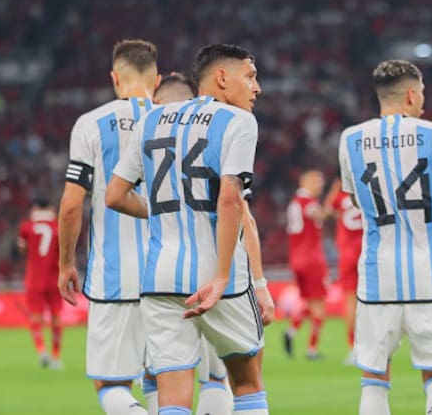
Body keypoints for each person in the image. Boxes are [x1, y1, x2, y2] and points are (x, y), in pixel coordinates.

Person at [106, 43, 271, 415]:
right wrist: (222, 276)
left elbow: (114, 196)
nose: (256, 87)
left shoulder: (151, 119)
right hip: (218, 278)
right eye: (250, 76)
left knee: (173, 397)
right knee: (247, 385)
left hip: (160, 276)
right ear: (222, 77)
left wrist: (165, 212)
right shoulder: (238, 121)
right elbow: (231, 200)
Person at [337, 60, 432, 415]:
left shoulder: (350, 138)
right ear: (412, 94)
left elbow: (355, 199)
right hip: (430, 274)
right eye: (423, 95)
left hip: (377, 276)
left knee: (374, 378)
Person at [56, 39, 158, 410]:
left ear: (115, 78)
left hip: (115, 278)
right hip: (172, 275)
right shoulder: (175, 120)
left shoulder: (91, 124)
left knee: (110, 385)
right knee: (166, 380)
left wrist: (66, 263)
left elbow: (72, 205)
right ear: (158, 80)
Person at [148, 72, 238, 415]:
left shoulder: (146, 139)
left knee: (162, 379)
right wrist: (257, 281)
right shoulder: (217, 131)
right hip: (212, 271)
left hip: (158, 273)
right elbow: (238, 210)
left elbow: (115, 196)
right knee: (218, 376)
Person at [284, 169, 328, 360]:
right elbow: (320, 214)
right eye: (315, 181)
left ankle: (291, 332)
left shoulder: (294, 202)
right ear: (304, 182)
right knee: (320, 304)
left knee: (309, 301)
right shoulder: (308, 202)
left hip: (296, 258)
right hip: (312, 259)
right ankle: (312, 349)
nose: (320, 185)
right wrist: (333, 200)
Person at [322, 176, 363, 365]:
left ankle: (353, 348)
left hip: (347, 253)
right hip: (367, 250)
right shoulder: (367, 192)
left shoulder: (340, 197)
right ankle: (375, 345)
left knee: (350, 301)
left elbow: (327, 211)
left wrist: (334, 189)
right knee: (373, 300)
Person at [19, 197, 63, 370]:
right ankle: (56, 356)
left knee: (36, 315)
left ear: (35, 207)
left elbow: (23, 248)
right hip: (55, 277)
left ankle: (41, 350)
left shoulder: (26, 227)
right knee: (56, 316)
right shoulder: (58, 226)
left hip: (35, 278)